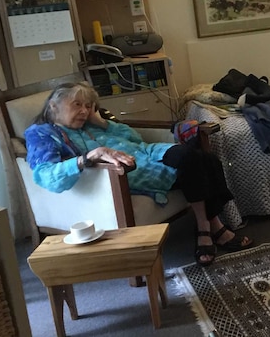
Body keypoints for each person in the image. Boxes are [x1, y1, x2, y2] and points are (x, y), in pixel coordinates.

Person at [24, 82, 252, 266]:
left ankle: (207, 227)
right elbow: (46, 175)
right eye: (77, 105)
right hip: (132, 170)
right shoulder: (42, 134)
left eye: (87, 105)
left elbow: (133, 138)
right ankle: (211, 228)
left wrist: (102, 122)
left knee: (204, 158)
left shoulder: (89, 123)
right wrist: (88, 157)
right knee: (196, 162)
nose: (84, 111)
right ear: (54, 106)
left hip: (148, 152)